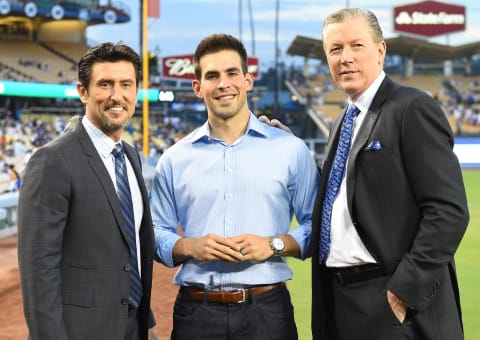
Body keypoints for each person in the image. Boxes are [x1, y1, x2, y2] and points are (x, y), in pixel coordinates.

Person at [309, 8, 470, 340]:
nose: (346, 58)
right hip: (340, 300)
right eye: (335, 49)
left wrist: (402, 293)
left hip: (391, 303)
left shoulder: (411, 107)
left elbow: (448, 211)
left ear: (380, 51)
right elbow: (342, 194)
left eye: (357, 45)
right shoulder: (345, 119)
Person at [150, 33, 319, 340]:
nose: (223, 83)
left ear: (248, 80)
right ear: (198, 87)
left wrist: (273, 244)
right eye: (212, 76)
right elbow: (155, 232)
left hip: (267, 311)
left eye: (231, 73)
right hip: (197, 311)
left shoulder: (290, 150)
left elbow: (318, 227)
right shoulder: (174, 158)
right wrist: (190, 246)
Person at [17, 42, 156, 340]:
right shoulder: (53, 159)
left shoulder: (131, 156)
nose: (116, 95)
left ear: (136, 92)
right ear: (83, 91)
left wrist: (146, 321)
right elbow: (38, 269)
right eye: (105, 84)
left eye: (126, 84)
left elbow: (130, 251)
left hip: (132, 326)